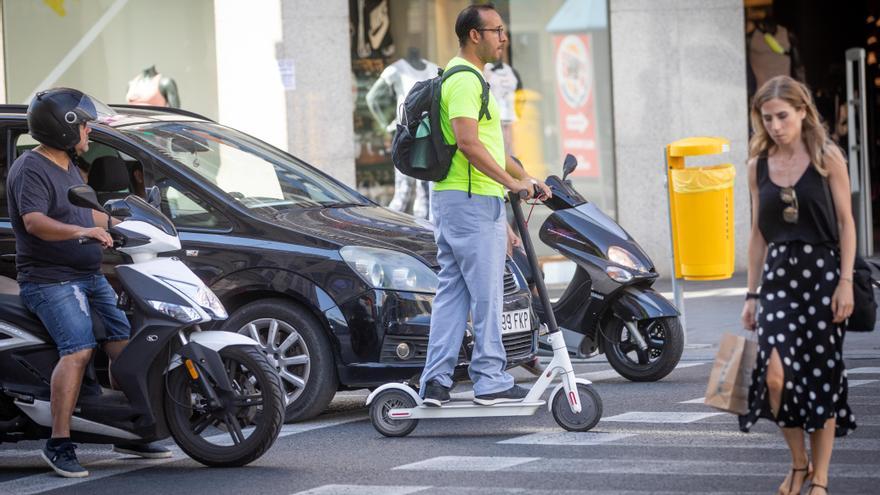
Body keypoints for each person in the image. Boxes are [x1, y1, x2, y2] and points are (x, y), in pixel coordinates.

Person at [6, 88, 171, 478]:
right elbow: (35, 222)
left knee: (123, 346)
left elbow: (88, 215)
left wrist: (123, 226)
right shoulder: (30, 168)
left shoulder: (67, 166)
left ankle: (127, 430)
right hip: (50, 281)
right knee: (78, 349)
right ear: (63, 128)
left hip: (87, 276)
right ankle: (58, 442)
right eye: (83, 124)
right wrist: (80, 234)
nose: (89, 131)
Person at [418, 4, 551, 407]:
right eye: (496, 30)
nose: (503, 37)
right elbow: (468, 143)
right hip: (470, 200)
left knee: (453, 295)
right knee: (488, 294)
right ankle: (490, 378)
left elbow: (495, 147)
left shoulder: (474, 80)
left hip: (467, 202)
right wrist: (511, 184)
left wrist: (527, 179)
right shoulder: (463, 80)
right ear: (474, 35)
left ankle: (435, 382)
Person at [740, 75, 857, 495]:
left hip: (824, 274)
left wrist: (845, 282)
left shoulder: (828, 158)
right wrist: (751, 293)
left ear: (803, 111)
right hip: (777, 277)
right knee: (774, 376)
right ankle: (798, 461)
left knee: (821, 374)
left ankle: (820, 477)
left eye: (782, 116)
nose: (774, 125)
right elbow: (757, 232)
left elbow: (846, 223)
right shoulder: (757, 165)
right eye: (766, 118)